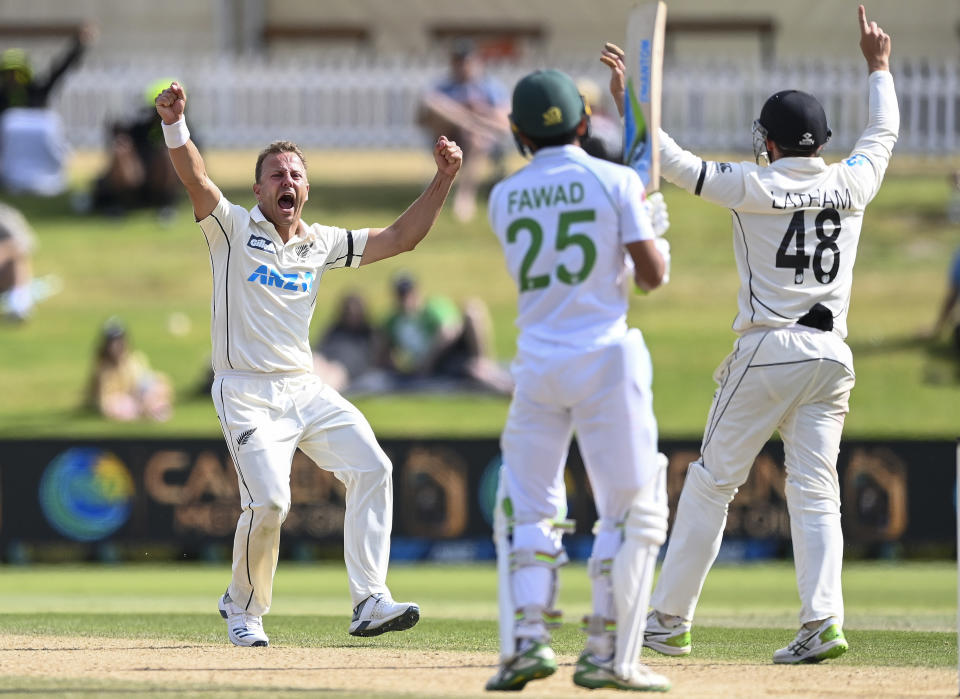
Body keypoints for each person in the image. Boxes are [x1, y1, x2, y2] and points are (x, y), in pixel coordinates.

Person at [601, 4, 898, 665]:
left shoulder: (753, 185)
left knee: (712, 481)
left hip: (770, 348)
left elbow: (672, 162)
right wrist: (878, 68)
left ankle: (669, 620)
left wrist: (632, 104)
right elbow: (884, 131)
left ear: (772, 141)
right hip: (832, 357)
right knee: (816, 489)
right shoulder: (853, 182)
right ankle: (823, 619)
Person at [154, 80, 462, 647]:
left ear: (307, 187)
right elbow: (196, 179)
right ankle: (243, 608)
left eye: (295, 174)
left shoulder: (320, 243)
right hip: (245, 390)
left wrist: (443, 179)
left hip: (304, 388)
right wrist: (176, 125)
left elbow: (399, 239)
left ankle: (369, 600)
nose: (287, 181)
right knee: (270, 502)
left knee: (374, 466)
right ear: (258, 188)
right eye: (276, 174)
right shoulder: (232, 229)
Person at [485, 69, 671, 692]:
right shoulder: (615, 180)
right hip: (604, 360)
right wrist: (653, 231)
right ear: (585, 125)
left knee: (531, 511)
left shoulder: (502, 198)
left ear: (517, 134)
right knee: (631, 509)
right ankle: (606, 654)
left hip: (536, 365)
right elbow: (649, 279)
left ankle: (528, 642)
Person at [417, 38, 510, 222]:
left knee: (476, 137)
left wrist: (479, 112)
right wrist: (463, 116)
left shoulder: (490, 88)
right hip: (448, 137)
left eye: (466, 62)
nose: (462, 67)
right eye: (457, 62)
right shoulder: (444, 87)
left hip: (480, 140)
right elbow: (423, 118)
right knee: (433, 103)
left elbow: (504, 125)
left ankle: (465, 197)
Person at [380, 273, 512, 395]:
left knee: (472, 310)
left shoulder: (433, 307)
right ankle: (506, 388)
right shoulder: (393, 321)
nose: (406, 299)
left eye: (408, 294)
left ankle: (484, 362)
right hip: (441, 364)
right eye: (402, 295)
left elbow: (449, 331)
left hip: (448, 351)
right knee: (474, 373)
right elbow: (384, 347)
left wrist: (428, 361)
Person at [90, 79, 182, 218]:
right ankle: (118, 204)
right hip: (134, 181)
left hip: (158, 186)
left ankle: (165, 205)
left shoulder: (184, 132)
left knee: (167, 152)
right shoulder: (138, 129)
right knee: (121, 149)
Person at [85, 318, 173, 422]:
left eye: (120, 341)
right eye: (113, 343)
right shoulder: (104, 368)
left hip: (136, 395)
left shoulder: (134, 360)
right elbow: (104, 400)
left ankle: (153, 408)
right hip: (119, 400)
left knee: (156, 385)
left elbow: (142, 381)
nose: (117, 346)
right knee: (121, 405)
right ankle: (150, 410)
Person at [312, 292, 386, 393]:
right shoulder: (336, 329)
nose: (352, 317)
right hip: (325, 361)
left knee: (330, 381)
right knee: (313, 363)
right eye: (349, 313)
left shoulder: (369, 334)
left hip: (343, 368)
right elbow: (320, 347)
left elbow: (371, 359)